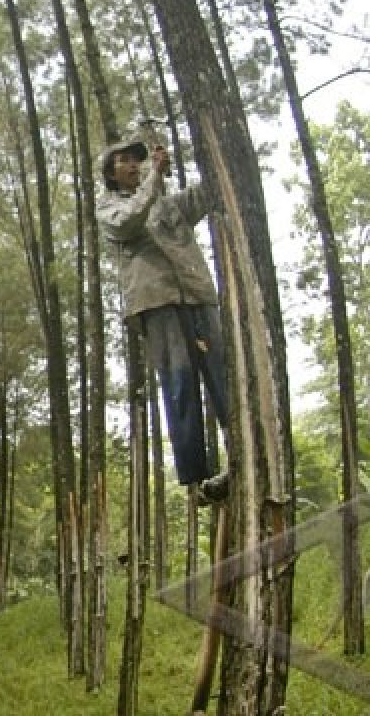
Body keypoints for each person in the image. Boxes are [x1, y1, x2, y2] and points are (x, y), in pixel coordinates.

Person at [97, 136, 229, 506]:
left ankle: (239, 451)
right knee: (180, 383)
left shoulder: (167, 203)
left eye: (139, 160)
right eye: (124, 161)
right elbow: (129, 222)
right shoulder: (109, 208)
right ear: (110, 173)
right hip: (156, 303)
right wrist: (156, 176)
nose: (134, 166)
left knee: (223, 373)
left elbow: (207, 194)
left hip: (197, 295)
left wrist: (203, 154)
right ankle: (198, 481)